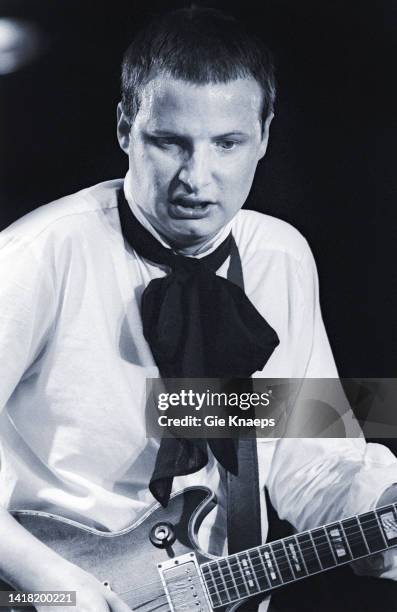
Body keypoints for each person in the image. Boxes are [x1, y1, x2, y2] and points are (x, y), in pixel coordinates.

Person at [0, 7, 397, 612]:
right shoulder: (36, 257)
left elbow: (308, 458)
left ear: (263, 138)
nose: (197, 177)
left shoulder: (281, 258)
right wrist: (59, 586)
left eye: (228, 143)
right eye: (170, 141)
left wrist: (376, 511)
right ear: (124, 128)